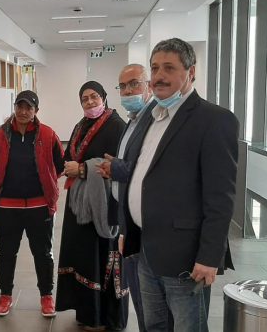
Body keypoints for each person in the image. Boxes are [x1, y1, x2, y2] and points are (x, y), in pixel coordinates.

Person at [122, 38, 237, 331]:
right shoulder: (152, 116)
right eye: (154, 68)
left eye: (169, 68)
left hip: (185, 258)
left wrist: (209, 257)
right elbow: (140, 176)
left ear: (191, 72)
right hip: (146, 249)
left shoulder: (214, 120)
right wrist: (128, 228)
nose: (159, 76)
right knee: (153, 325)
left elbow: (220, 198)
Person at [55, 81, 128, 331]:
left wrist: (83, 169)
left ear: (104, 97)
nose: (89, 102)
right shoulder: (81, 125)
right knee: (83, 257)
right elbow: (71, 156)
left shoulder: (116, 126)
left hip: (103, 205)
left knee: (100, 258)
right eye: (84, 99)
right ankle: (87, 313)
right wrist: (69, 166)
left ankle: (103, 318)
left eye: (94, 97)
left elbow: (119, 166)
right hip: (80, 202)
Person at [0, 90, 65, 317]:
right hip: (6, 207)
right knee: (6, 253)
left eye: (28, 107)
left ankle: (47, 296)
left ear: (36, 111)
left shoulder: (48, 134)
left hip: (39, 206)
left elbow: (59, 165)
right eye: (19, 106)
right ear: (14, 108)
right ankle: (5, 295)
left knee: (43, 253)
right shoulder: (0, 135)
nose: (23, 111)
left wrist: (46, 186)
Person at [97, 64, 156, 332]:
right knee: (141, 297)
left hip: (145, 223)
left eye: (134, 84)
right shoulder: (133, 119)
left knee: (150, 301)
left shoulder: (154, 120)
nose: (128, 91)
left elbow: (152, 169)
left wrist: (116, 168)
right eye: (122, 86)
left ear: (148, 86)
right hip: (127, 221)